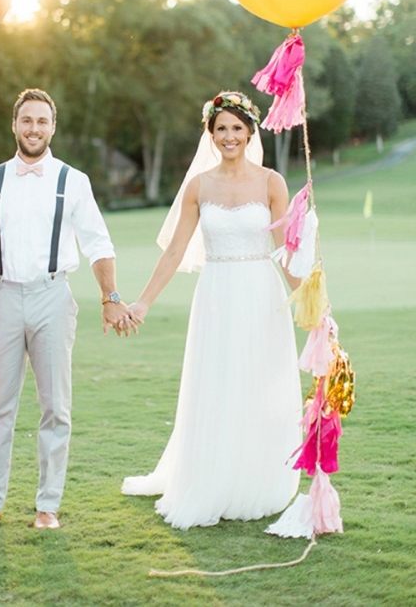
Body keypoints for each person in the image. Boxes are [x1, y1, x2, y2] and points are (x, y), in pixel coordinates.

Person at [122, 91, 303, 530]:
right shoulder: (199, 186)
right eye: (220, 128)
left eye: (237, 128)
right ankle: (212, 477)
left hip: (263, 296)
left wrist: (314, 306)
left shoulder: (272, 183)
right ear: (210, 133)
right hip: (216, 296)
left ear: (249, 132)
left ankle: (257, 478)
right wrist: (143, 301)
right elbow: (174, 253)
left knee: (260, 385)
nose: (229, 136)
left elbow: (288, 254)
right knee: (219, 383)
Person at [0, 88, 135, 533]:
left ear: (52, 127)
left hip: (53, 298)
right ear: (14, 125)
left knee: (56, 407)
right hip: (1, 298)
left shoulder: (72, 181)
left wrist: (111, 298)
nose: (34, 128)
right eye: (26, 120)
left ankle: (47, 506)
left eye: (42, 121)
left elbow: (98, 243)